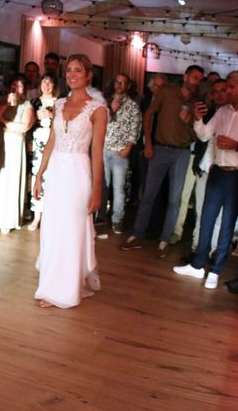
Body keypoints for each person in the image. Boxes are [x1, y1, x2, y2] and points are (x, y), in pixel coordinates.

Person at [33, 54, 107, 309]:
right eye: (69, 71)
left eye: (78, 70)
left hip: (78, 173)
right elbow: (52, 141)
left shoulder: (98, 109)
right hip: (56, 171)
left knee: (72, 229)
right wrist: (39, 174)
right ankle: (52, 282)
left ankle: (65, 290)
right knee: (53, 228)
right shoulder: (60, 103)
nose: (72, 75)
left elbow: (97, 153)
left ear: (88, 75)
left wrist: (97, 190)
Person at [121, 65, 204, 257]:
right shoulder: (167, 92)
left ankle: (164, 240)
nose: (197, 82)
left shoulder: (197, 102)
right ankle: (137, 235)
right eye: (194, 77)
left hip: (182, 153)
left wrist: (190, 122)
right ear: (185, 77)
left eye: (200, 79)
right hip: (159, 148)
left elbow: (197, 135)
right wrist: (148, 143)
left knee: (175, 200)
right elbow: (148, 114)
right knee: (148, 194)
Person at [173, 74, 238, 290]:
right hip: (217, 171)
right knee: (207, 218)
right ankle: (198, 265)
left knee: (227, 224)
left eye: (231, 87)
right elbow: (203, 136)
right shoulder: (222, 111)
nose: (227, 91)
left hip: (236, 175)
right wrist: (197, 118)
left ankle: (216, 270)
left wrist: (235, 145)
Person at [0, 74, 34, 233]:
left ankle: (8, 220)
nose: (16, 89)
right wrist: (7, 104)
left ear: (25, 89)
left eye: (19, 86)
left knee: (11, 180)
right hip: (0, 143)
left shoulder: (27, 105)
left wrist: (7, 123)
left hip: (15, 144)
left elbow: (24, 127)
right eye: (13, 85)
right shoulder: (3, 103)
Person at [102, 73, 142, 234]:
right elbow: (97, 123)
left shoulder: (133, 105)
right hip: (104, 148)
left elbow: (135, 128)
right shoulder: (103, 102)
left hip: (121, 152)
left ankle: (117, 219)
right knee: (103, 185)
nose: (119, 85)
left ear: (128, 86)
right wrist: (110, 110)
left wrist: (129, 147)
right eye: (117, 82)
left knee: (119, 188)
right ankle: (100, 216)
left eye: (123, 83)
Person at [28, 72, 60, 230]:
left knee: (53, 176)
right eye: (44, 82)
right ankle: (36, 216)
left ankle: (51, 215)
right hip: (38, 141)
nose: (46, 85)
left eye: (50, 82)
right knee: (37, 176)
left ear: (54, 85)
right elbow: (29, 122)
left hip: (55, 142)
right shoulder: (34, 101)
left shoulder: (60, 103)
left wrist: (52, 114)